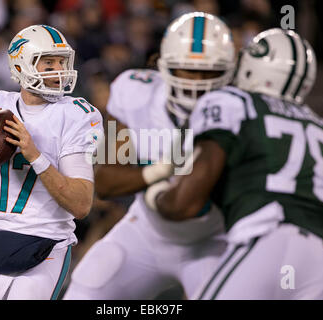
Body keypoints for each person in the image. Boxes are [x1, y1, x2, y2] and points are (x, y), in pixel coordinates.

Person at [147, 28, 323, 299]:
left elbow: (184, 204)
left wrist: (159, 196)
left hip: (270, 237)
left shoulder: (233, 102)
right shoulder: (317, 123)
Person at [64, 12, 235, 300]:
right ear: (163, 66)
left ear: (229, 72)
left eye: (210, 73)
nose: (197, 83)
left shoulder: (240, 113)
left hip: (214, 241)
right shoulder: (136, 93)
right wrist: (156, 172)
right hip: (146, 232)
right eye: (187, 70)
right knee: (86, 288)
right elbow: (104, 180)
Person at [0, 25, 103, 300]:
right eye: (48, 62)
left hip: (47, 248)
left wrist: (35, 155)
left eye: (62, 62)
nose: (58, 70)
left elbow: (81, 204)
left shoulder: (76, 115)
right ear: (21, 64)